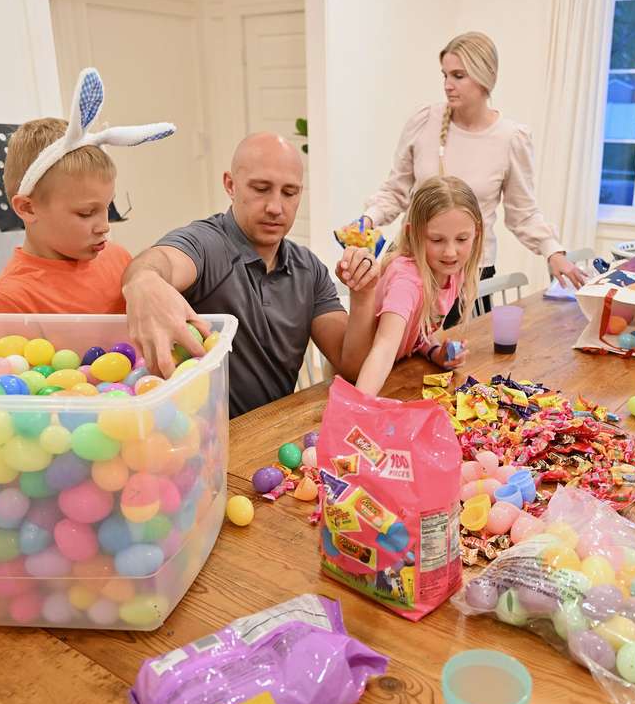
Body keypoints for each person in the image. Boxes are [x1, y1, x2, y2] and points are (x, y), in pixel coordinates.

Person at [123, 132, 379, 417]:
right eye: (261, 188)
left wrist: (364, 293)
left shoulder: (309, 269)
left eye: (289, 192)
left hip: (269, 436)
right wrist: (144, 280)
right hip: (201, 439)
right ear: (230, 185)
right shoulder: (207, 244)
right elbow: (159, 261)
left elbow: (350, 364)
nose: (275, 207)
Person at [348, 31, 588, 328]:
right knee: (399, 360)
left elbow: (522, 213)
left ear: (485, 77)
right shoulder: (424, 121)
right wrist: (368, 220)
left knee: (461, 361)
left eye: (458, 75)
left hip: (472, 272)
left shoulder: (510, 138)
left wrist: (553, 252)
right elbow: (396, 190)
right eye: (445, 75)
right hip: (413, 267)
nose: (448, 85)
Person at [0, 68, 174, 314]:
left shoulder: (118, 259)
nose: (104, 226)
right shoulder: (10, 299)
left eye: (107, 207)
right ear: (28, 208)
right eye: (86, 213)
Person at [355, 177, 482, 395]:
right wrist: (357, 408)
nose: (450, 252)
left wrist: (434, 352)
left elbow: (414, 332)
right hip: (360, 377)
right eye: (436, 240)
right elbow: (384, 348)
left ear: (476, 233)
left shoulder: (453, 270)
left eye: (462, 239)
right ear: (412, 234)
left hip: (393, 373)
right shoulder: (406, 282)